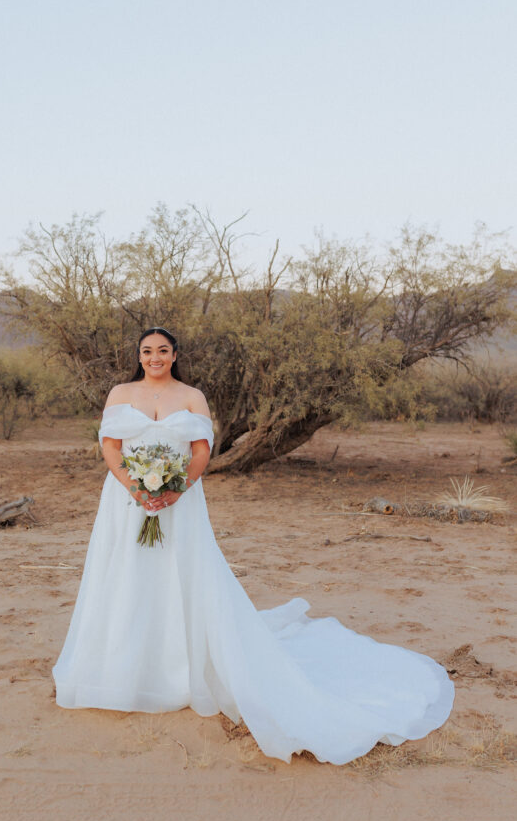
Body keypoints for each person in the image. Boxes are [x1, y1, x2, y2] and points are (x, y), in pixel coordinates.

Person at [52, 327, 455, 765]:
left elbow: (202, 450)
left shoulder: (192, 396)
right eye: (147, 351)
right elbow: (111, 447)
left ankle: (181, 671)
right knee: (126, 575)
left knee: (182, 575)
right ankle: (122, 669)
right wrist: (136, 487)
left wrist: (176, 488)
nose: (154, 357)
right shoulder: (120, 392)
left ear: (174, 354)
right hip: (126, 501)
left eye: (162, 350)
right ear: (138, 355)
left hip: (180, 502)